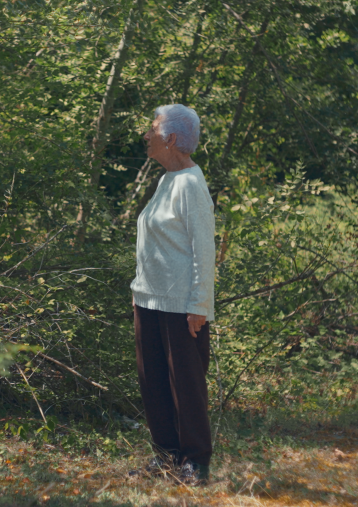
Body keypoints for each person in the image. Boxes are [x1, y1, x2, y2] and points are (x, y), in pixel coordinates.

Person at [131, 104, 215, 486]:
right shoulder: (166, 180)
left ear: (171, 138)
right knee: (154, 382)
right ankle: (166, 456)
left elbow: (204, 250)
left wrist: (199, 305)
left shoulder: (192, 184)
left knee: (186, 384)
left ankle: (195, 462)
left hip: (182, 305)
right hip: (148, 299)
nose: (146, 135)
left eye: (152, 129)